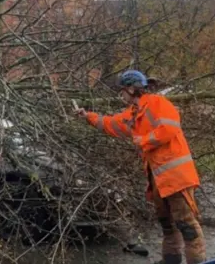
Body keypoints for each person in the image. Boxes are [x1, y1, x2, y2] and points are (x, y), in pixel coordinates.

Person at [75, 70, 207, 264]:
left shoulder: (158, 103)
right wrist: (88, 116)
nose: (120, 95)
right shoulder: (134, 113)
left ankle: (198, 262)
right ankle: (171, 261)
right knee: (167, 226)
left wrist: (143, 140)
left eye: (122, 91)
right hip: (159, 180)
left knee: (186, 225)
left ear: (131, 88)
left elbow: (169, 129)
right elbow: (111, 123)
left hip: (176, 178)